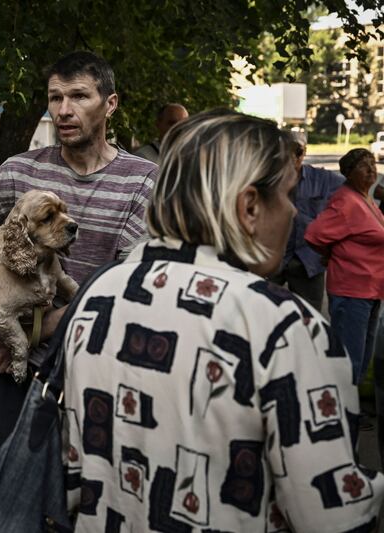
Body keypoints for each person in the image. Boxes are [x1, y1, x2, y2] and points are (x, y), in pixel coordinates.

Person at [62, 109, 384, 531]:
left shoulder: (98, 295)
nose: (292, 213)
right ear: (249, 205)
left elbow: (75, 475)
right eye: (287, 194)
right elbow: (331, 517)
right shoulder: (282, 327)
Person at [0, 50, 157, 469]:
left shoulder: (142, 181)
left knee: (88, 497)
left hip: (100, 368)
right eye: (56, 98)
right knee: (4, 498)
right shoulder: (20, 172)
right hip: (19, 371)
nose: (64, 110)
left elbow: (125, 287)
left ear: (110, 103)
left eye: (79, 96)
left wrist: (34, 329)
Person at [306, 148, 384, 385]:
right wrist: (333, 254)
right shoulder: (346, 202)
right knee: (349, 359)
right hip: (352, 290)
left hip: (369, 288)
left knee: (361, 356)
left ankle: (353, 411)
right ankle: (342, 413)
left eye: (372, 163)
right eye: (363, 165)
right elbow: (314, 234)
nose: (371, 169)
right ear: (349, 173)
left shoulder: (364, 197)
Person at [270, 134, 344, 311]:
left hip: (308, 260)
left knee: (309, 318)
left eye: (297, 151)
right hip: (273, 258)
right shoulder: (267, 179)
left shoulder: (323, 179)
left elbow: (353, 197)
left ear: (303, 153)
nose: (291, 158)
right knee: (264, 312)